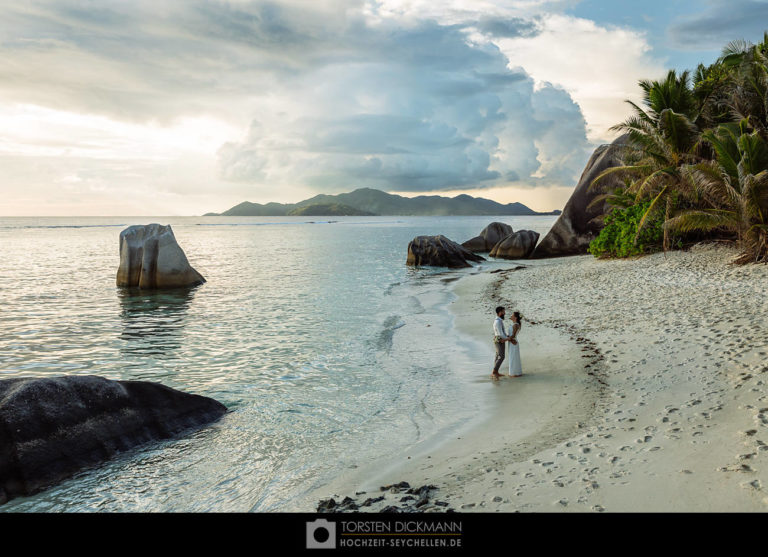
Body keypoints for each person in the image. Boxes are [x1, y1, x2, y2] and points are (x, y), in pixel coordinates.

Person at [491, 306, 508, 380]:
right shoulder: (498, 321)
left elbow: (501, 332)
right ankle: (494, 372)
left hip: (498, 339)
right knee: (501, 356)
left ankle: (495, 371)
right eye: (503, 311)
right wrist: (507, 339)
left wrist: (506, 336)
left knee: (498, 356)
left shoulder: (498, 320)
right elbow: (500, 333)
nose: (505, 313)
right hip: (499, 340)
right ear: (500, 312)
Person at [507, 311, 523, 377]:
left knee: (513, 357)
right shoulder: (515, 324)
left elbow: (513, 335)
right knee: (513, 357)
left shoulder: (515, 325)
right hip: (512, 341)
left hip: (513, 342)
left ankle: (514, 373)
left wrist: (505, 338)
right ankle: (515, 372)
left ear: (515, 317)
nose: (511, 316)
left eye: (512, 315)